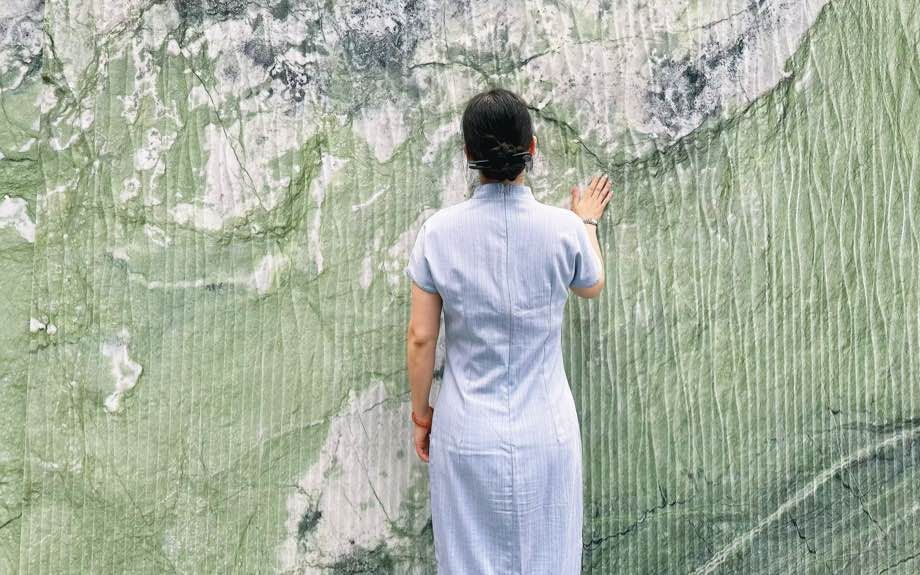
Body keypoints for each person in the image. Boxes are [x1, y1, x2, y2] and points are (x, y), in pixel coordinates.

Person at [404, 87, 611, 574]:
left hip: (465, 431)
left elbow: (421, 337)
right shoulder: (563, 229)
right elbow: (592, 284)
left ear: (468, 155)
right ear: (532, 148)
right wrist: (586, 222)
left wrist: (421, 415)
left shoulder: (438, 233)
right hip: (546, 432)